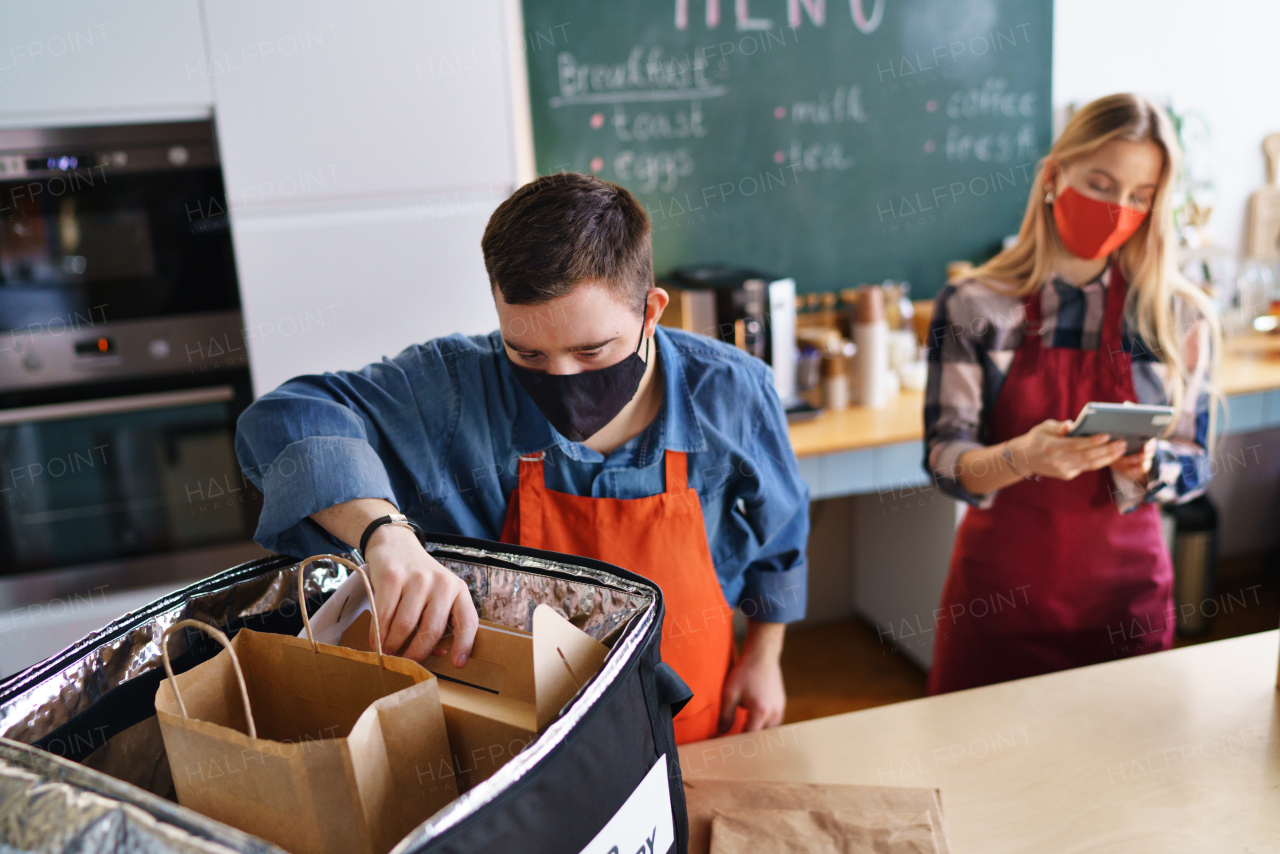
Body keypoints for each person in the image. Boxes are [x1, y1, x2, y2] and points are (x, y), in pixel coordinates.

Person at [234, 172, 809, 742]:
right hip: (516, 743)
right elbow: (286, 418)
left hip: (686, 726)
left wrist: (765, 654)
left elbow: (781, 542)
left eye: (591, 350)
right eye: (527, 352)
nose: (560, 378)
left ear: (651, 312)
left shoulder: (735, 393)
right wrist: (384, 533)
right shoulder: (459, 387)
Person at [923, 93, 1221, 694]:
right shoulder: (976, 305)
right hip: (1000, 606)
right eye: (1102, 184)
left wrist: (1153, 466)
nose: (1117, 209)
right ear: (1055, 177)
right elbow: (946, 462)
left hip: (1126, 607)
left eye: (1140, 197)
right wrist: (1022, 457)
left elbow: (1198, 458)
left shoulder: (1179, 317)